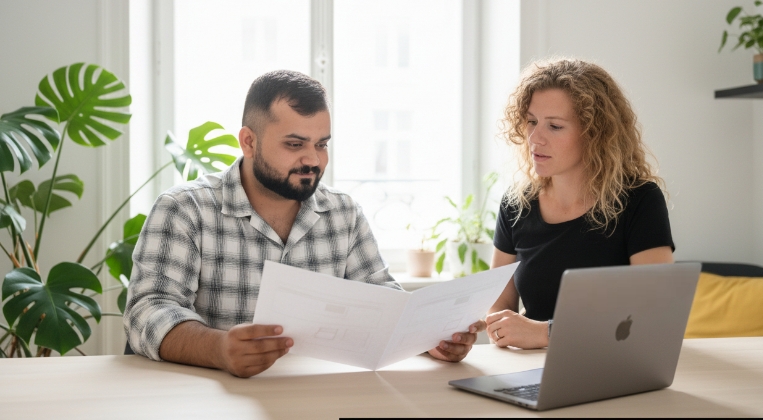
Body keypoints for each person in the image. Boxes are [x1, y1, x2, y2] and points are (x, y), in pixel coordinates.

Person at [124, 70, 482, 377]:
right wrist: (219, 349)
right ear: (249, 142)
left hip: (319, 397)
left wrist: (430, 340)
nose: (312, 159)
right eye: (294, 144)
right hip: (210, 400)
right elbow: (148, 310)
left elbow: (384, 303)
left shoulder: (344, 214)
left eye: (321, 144)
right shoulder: (184, 209)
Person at [484, 58, 675, 349]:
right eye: (532, 121)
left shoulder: (640, 200)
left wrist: (544, 333)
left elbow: (657, 314)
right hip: (528, 370)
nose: (535, 138)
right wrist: (497, 328)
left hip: (613, 366)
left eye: (555, 126)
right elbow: (499, 305)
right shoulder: (515, 204)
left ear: (595, 134)